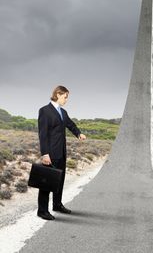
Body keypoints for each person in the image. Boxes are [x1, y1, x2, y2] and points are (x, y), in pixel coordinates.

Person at [37, 85, 87, 220]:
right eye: (65, 97)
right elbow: (43, 134)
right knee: (47, 182)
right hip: (50, 153)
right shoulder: (44, 111)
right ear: (58, 94)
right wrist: (45, 154)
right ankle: (42, 211)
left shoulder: (63, 112)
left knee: (59, 180)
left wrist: (78, 134)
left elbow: (70, 124)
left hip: (62, 152)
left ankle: (57, 205)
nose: (66, 100)